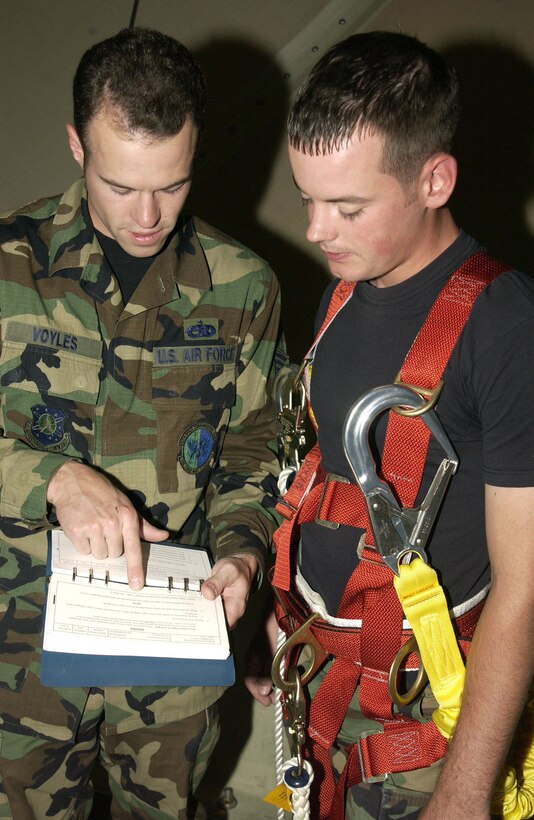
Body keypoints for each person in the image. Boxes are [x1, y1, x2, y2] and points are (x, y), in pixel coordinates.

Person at [246, 31, 534, 819]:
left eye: (346, 206)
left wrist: (467, 792)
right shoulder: (343, 292)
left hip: (425, 721)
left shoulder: (504, 329)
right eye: (308, 198)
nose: (315, 229)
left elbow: (526, 586)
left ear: (434, 179)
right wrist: (277, 631)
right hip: (320, 687)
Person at [0, 26, 285, 819]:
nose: (149, 216)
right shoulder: (5, 266)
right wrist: (50, 477)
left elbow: (253, 451)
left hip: (168, 646)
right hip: (17, 645)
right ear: (76, 146)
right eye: (122, 186)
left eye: (174, 183)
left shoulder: (244, 289)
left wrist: (242, 556)